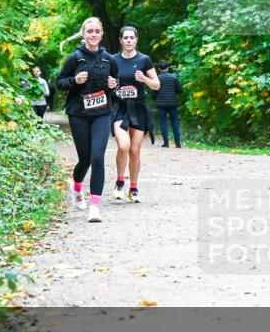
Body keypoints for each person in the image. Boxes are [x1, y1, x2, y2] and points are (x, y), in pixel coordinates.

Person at [54, 17, 120, 223]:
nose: (93, 35)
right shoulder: (75, 58)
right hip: (78, 114)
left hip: (102, 113)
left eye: (97, 31)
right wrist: (74, 80)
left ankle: (95, 207)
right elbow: (59, 83)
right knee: (85, 159)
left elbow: (116, 83)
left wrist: (113, 84)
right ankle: (76, 188)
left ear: (101, 34)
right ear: (83, 34)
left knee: (97, 158)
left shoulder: (110, 59)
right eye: (89, 31)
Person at [110, 25, 160, 203]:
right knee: (123, 146)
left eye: (132, 38)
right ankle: (119, 183)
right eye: (126, 38)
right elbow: (105, 82)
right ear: (121, 40)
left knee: (135, 150)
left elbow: (157, 84)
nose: (129, 41)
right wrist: (111, 85)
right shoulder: (113, 60)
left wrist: (144, 79)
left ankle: (134, 188)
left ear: (136, 40)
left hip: (138, 108)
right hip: (120, 108)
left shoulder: (144, 60)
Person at [153, 60, 183, 148]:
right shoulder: (173, 77)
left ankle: (166, 143)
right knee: (174, 122)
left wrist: (157, 99)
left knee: (163, 122)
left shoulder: (157, 79)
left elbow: (153, 92)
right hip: (172, 103)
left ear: (159, 69)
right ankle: (178, 143)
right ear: (168, 68)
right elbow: (180, 90)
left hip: (161, 104)